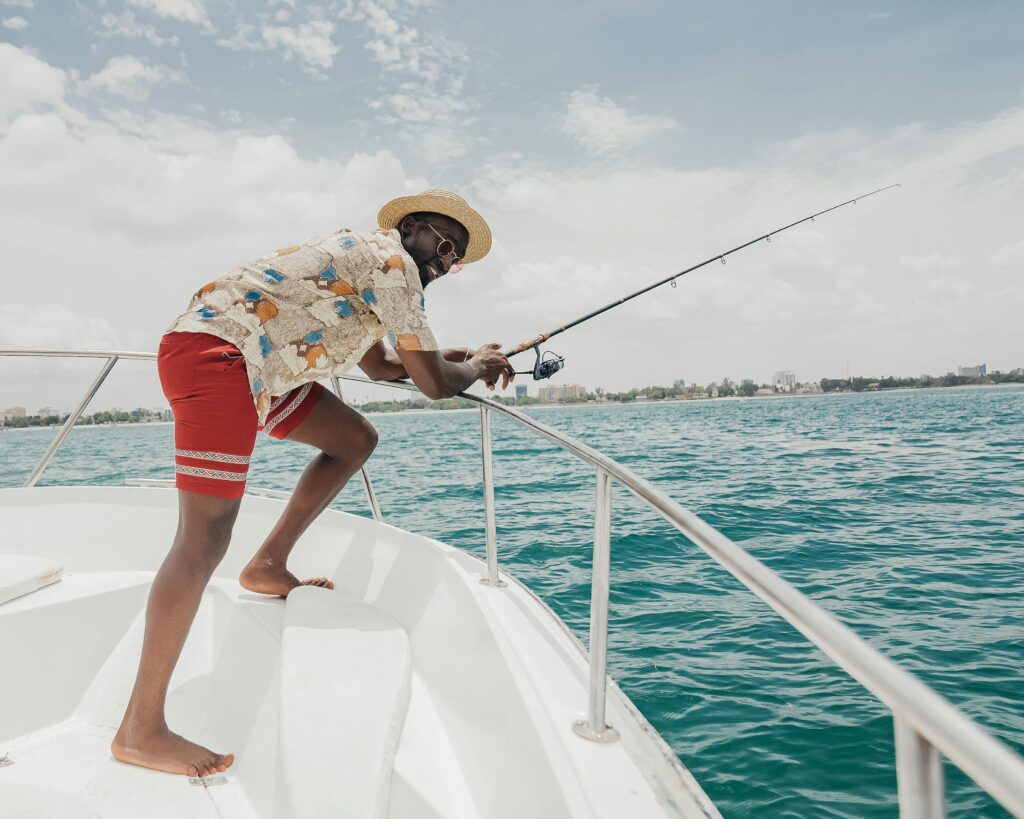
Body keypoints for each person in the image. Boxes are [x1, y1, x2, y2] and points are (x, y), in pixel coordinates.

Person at [111, 189, 512, 777]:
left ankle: (268, 564)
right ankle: (139, 729)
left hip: (259, 369)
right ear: (413, 227)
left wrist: (445, 354)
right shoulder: (395, 264)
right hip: (221, 357)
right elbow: (433, 383)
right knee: (203, 540)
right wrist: (475, 365)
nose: (445, 263)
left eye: (455, 259)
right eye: (444, 244)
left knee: (353, 439)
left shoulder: (375, 268)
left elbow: (381, 366)